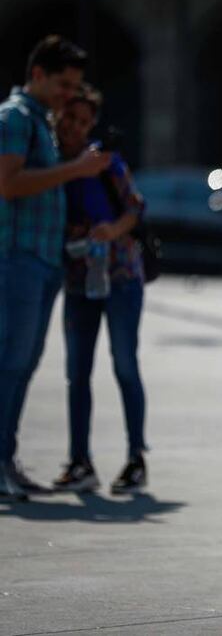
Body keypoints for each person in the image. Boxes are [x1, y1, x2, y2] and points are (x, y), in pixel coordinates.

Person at [0, 35, 112, 500]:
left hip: (43, 261)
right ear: (38, 74)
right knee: (10, 362)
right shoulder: (15, 118)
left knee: (23, 364)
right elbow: (7, 184)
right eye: (64, 84)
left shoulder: (40, 122)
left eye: (76, 86)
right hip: (17, 260)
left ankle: (6, 459)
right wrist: (76, 170)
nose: (70, 94)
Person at [51, 83, 148, 495]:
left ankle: (135, 459)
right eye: (70, 118)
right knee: (77, 373)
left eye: (84, 121)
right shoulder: (49, 163)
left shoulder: (104, 162)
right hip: (78, 280)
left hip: (121, 275)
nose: (75, 127)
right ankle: (80, 461)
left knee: (124, 365)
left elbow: (136, 208)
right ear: (58, 118)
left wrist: (112, 230)